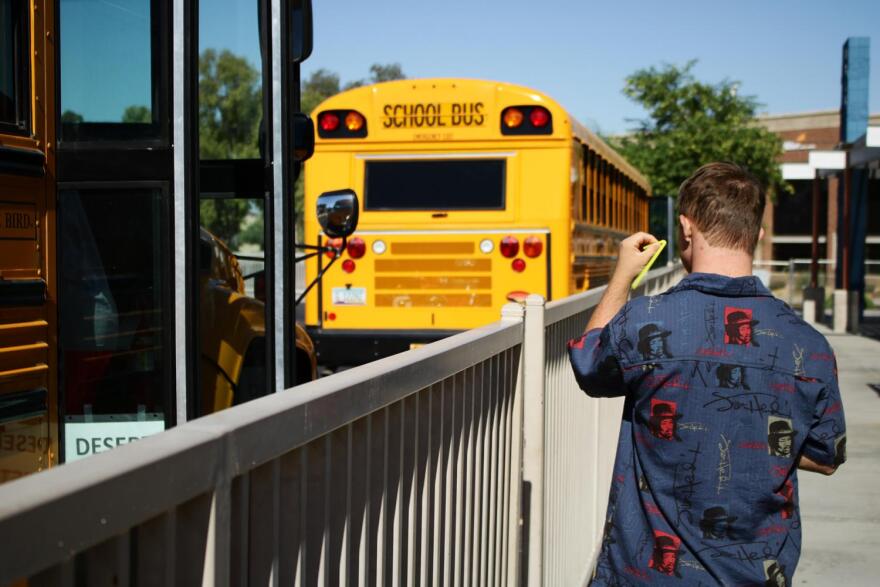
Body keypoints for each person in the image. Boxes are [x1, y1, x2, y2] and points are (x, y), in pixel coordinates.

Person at [568, 162, 846, 586]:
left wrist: (623, 276)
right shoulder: (808, 345)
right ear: (758, 234)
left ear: (685, 228)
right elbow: (826, 457)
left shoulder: (647, 324)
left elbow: (589, 365)